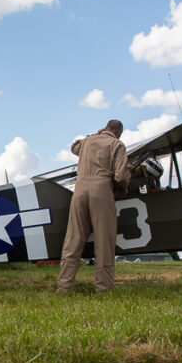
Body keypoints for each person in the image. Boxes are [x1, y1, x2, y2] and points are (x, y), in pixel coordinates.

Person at [56, 119, 130, 293]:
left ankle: (64, 287)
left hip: (79, 191)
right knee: (104, 241)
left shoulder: (88, 141)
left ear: (105, 128)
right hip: (102, 190)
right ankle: (103, 289)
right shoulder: (117, 144)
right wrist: (122, 189)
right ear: (118, 132)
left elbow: (74, 147)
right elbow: (121, 176)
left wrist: (95, 135)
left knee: (73, 239)